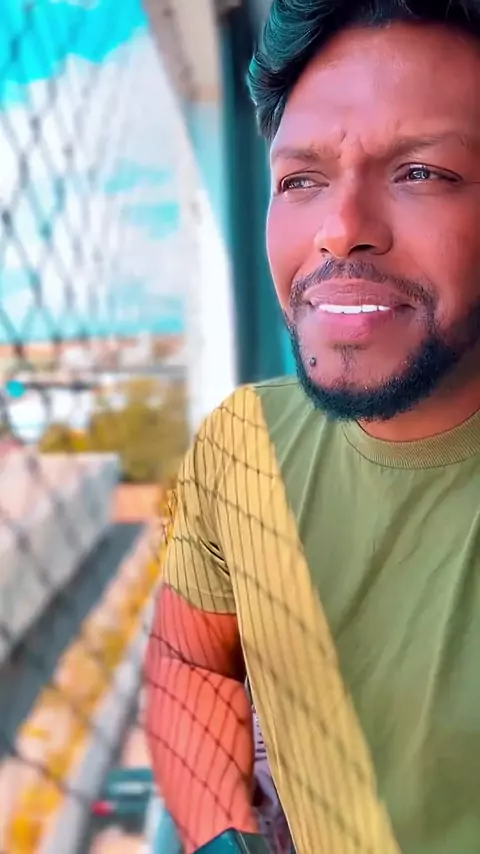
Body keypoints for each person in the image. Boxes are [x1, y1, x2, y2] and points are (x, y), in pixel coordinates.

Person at [145, 2, 480, 852]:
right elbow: (191, 659)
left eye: (422, 172)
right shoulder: (242, 441)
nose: (341, 230)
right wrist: (224, 839)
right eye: (301, 181)